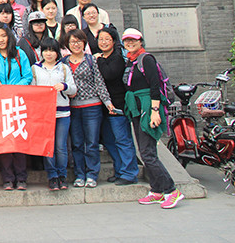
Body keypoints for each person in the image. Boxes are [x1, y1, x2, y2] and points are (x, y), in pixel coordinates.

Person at [121, 28, 183, 208]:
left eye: (133, 40)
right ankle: (157, 191)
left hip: (148, 107)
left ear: (141, 41)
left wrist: (155, 111)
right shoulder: (131, 61)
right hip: (137, 108)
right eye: (126, 40)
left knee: (147, 153)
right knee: (146, 152)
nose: (130, 43)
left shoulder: (146, 59)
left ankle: (171, 190)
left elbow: (155, 85)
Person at [62, 29, 115, 189]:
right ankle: (79, 175)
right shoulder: (63, 63)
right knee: (77, 143)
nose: (76, 44)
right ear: (68, 44)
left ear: (84, 43)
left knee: (91, 142)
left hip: (92, 107)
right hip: (73, 108)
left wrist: (107, 102)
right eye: (72, 42)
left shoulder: (91, 60)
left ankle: (92, 174)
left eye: (79, 41)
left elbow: (99, 83)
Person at [0, 24, 32, 190]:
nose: (0, 40)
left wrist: (14, 88)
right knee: (4, 141)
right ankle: (7, 178)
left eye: (3, 36)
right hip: (0, 104)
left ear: (9, 37)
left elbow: (27, 76)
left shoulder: (19, 54)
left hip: (18, 103)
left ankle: (21, 178)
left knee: (18, 141)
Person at [30, 37, 76, 191]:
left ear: (57, 52)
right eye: (45, 50)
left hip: (62, 112)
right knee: (48, 146)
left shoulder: (63, 68)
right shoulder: (35, 68)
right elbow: (32, 91)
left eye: (52, 51)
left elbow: (73, 89)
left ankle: (62, 175)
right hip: (44, 114)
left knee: (61, 146)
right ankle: (52, 176)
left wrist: (64, 86)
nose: (48, 54)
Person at [95, 27, 139, 186]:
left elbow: (109, 74)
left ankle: (130, 173)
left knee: (123, 140)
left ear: (114, 41)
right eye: (101, 39)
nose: (103, 42)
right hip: (104, 108)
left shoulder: (118, 58)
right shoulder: (101, 57)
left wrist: (99, 60)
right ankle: (120, 170)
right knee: (109, 141)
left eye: (107, 39)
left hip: (118, 106)